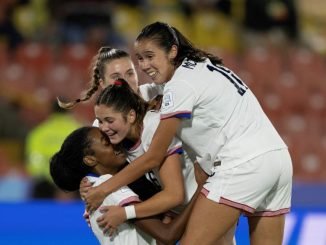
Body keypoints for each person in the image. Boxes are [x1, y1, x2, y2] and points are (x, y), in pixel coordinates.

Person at [84, 21, 293, 245]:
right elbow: (133, 99)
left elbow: (154, 156)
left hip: (241, 164)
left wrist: (103, 188)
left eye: (150, 56)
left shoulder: (179, 84)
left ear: (172, 50)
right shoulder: (200, 66)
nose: (144, 65)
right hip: (278, 160)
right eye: (140, 58)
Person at [50, 126, 206, 245]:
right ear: (90, 159)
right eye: (106, 143)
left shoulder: (101, 187)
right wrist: (201, 188)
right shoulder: (107, 188)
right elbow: (168, 235)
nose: (115, 143)